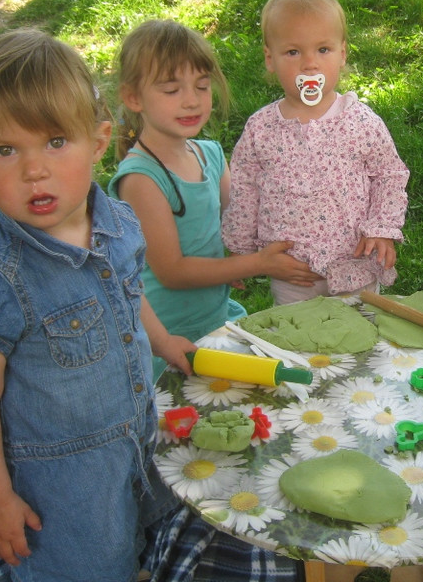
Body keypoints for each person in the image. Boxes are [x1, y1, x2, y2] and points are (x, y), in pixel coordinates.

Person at [0, 29, 196, 581]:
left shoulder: (118, 222)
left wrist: (163, 340)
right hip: (64, 487)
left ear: (99, 142)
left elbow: (127, 294)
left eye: (55, 142)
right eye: (6, 150)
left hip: (133, 441)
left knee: (141, 538)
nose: (34, 170)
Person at [109, 20, 319, 377]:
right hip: (168, 337)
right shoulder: (142, 178)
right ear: (133, 98)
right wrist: (256, 264)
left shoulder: (209, 154)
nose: (192, 100)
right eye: (171, 90)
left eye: (202, 86)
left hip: (215, 319)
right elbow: (173, 271)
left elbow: (242, 221)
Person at [222, 0, 409, 305]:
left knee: (358, 329)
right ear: (270, 59)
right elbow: (244, 187)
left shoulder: (360, 120)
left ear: (342, 54)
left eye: (323, 50)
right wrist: (240, 250)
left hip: (353, 265)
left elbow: (389, 174)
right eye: (293, 52)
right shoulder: (261, 128)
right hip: (293, 272)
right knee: (297, 331)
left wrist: (381, 227)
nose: (310, 64)